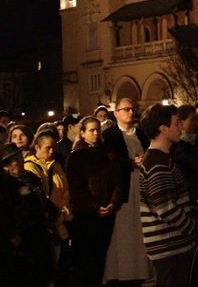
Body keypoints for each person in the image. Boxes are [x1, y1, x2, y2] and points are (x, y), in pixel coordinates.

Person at [139, 103, 198, 286]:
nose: (180, 127)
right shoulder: (157, 163)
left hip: (173, 244)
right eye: (176, 123)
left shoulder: (162, 159)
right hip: (169, 245)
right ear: (163, 129)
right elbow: (166, 209)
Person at [66, 116, 122, 287]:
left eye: (98, 129)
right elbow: (77, 188)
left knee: (100, 255)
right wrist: (95, 207)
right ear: (82, 133)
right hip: (87, 216)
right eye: (91, 130)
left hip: (106, 213)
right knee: (87, 259)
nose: (96, 133)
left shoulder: (108, 153)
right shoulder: (77, 157)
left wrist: (112, 203)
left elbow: (117, 182)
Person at [102, 97, 153, 283]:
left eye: (133, 109)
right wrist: (130, 163)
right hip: (123, 188)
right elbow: (108, 161)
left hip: (141, 185)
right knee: (123, 231)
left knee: (140, 228)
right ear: (116, 113)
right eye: (126, 109)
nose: (130, 112)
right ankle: (121, 271)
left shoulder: (141, 133)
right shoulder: (109, 135)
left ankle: (140, 270)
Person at [1, 143, 55, 286]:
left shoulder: (32, 178)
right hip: (23, 237)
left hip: (39, 233)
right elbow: (6, 212)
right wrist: (14, 235)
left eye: (20, 157)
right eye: (14, 159)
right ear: (6, 166)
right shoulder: (7, 184)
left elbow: (42, 199)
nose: (19, 161)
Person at [24, 130, 74, 281]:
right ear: (37, 148)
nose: (51, 151)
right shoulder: (30, 168)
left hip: (63, 221)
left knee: (62, 268)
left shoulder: (56, 165)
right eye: (47, 148)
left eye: (53, 147)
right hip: (51, 223)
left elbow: (65, 191)